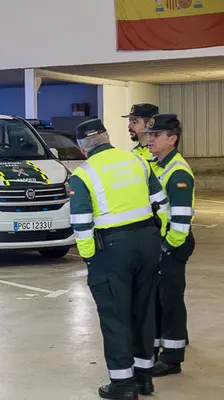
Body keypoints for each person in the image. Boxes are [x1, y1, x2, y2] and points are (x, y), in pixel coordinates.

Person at [69, 118, 169, 399]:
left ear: (82, 147)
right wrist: (156, 237)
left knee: (115, 316)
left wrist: (89, 258)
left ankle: (123, 384)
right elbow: (161, 204)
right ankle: (144, 378)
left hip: (112, 251)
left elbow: (81, 223)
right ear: (107, 137)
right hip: (147, 243)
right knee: (143, 310)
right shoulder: (136, 162)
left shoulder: (84, 174)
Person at [141, 114, 195, 377]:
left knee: (171, 299)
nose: (149, 139)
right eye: (149, 134)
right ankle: (156, 348)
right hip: (160, 243)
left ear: (172, 139)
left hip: (173, 243)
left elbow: (182, 217)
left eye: (156, 135)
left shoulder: (178, 171)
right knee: (158, 299)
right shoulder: (158, 165)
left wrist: (168, 247)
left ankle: (172, 358)